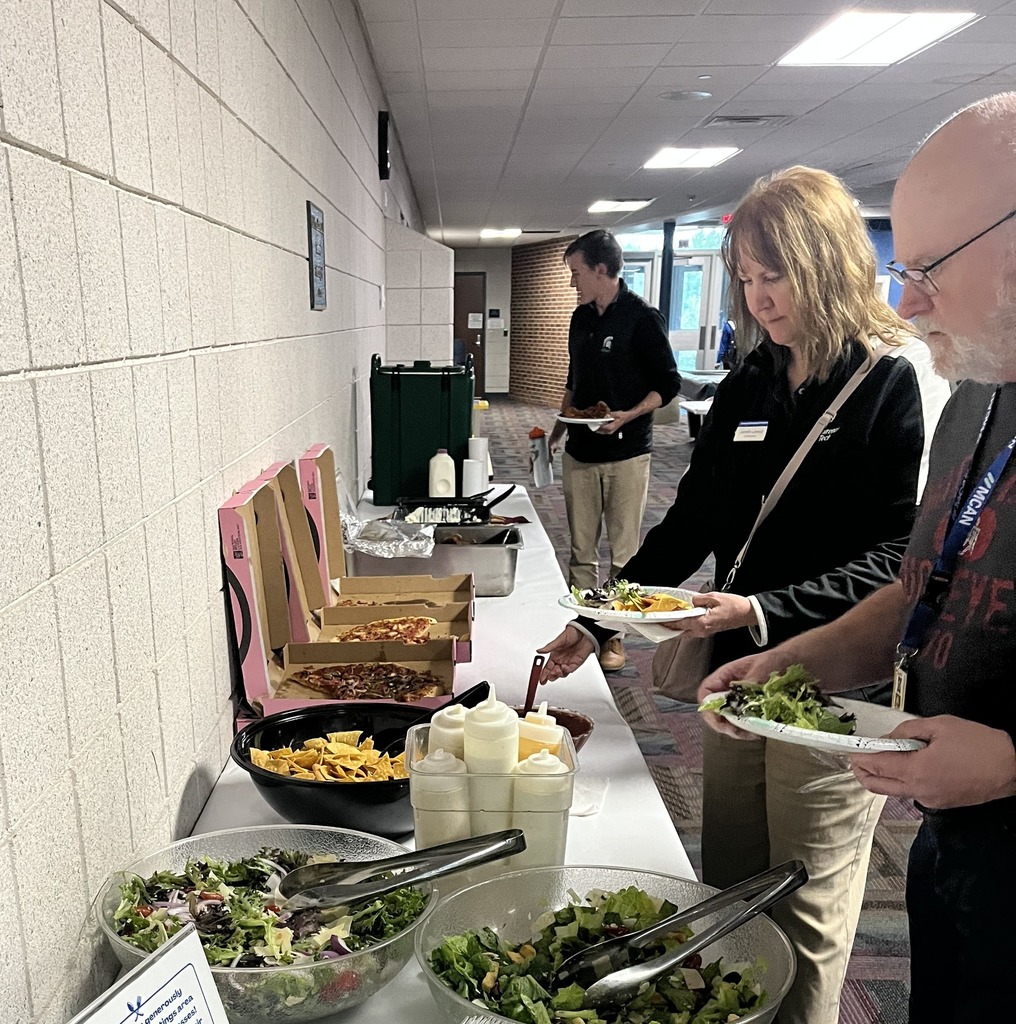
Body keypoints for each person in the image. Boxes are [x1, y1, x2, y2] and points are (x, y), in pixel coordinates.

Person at [540, 166, 949, 1024]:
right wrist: (595, 613)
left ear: (830, 262)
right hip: (735, 679)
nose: (761, 300)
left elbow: (900, 558)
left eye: (780, 276)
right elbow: (691, 523)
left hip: (829, 687)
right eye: (749, 280)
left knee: (804, 908)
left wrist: (765, 611)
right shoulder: (750, 384)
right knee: (730, 888)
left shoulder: (893, 382)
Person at [699, 94, 1016, 1024]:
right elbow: (927, 584)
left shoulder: (901, 379)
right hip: (956, 854)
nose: (908, 300)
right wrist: (795, 657)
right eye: (901, 267)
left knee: (807, 909)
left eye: (929, 267)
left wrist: (1010, 762)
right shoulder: (977, 391)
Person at [547, 229, 681, 672]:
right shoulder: (581, 318)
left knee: (624, 555)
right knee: (581, 551)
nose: (573, 283)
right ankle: (584, 626)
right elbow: (574, 378)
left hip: (628, 455)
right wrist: (558, 426)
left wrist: (626, 414)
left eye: (577, 273)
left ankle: (614, 637)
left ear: (602, 270)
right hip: (580, 453)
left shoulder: (642, 318)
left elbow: (668, 385)